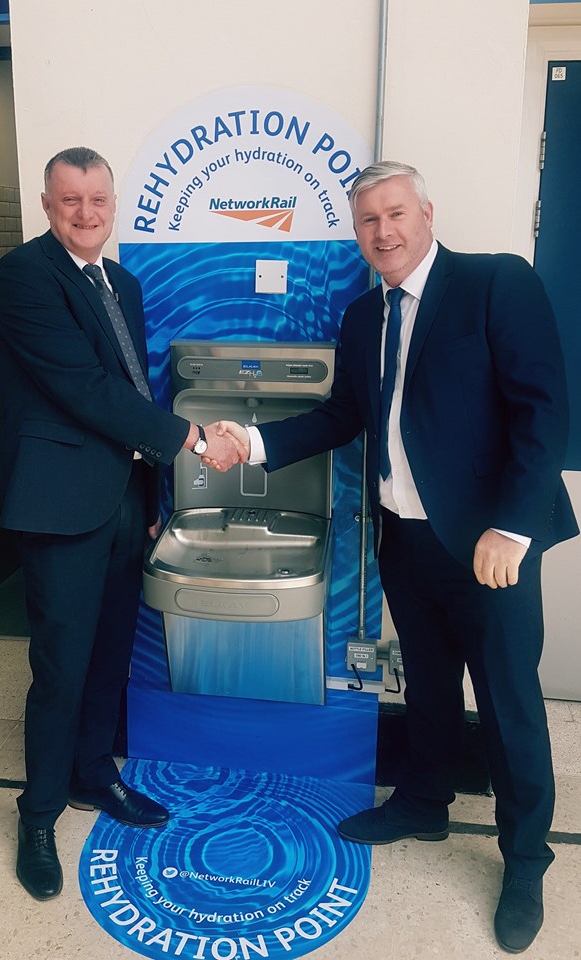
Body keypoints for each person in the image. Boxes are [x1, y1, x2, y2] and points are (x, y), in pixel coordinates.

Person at [209, 161, 578, 954]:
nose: (385, 231)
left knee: (510, 701)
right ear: (358, 232)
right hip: (406, 537)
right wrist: (257, 440)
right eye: (369, 220)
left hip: (490, 546)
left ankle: (525, 858)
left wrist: (512, 528)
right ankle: (423, 802)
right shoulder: (361, 316)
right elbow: (345, 414)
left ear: (426, 212)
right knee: (430, 685)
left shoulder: (494, 284)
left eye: (397, 213)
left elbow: (544, 410)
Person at [0, 146, 245, 902]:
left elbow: (133, 385)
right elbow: (88, 388)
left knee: (109, 657)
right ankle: (37, 816)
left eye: (97, 198)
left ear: (113, 201)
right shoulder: (26, 274)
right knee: (61, 666)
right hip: (61, 507)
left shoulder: (123, 284)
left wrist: (155, 484)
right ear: (47, 205)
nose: (85, 212)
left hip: (124, 499)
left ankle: (93, 776)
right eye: (69, 200)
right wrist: (194, 440)